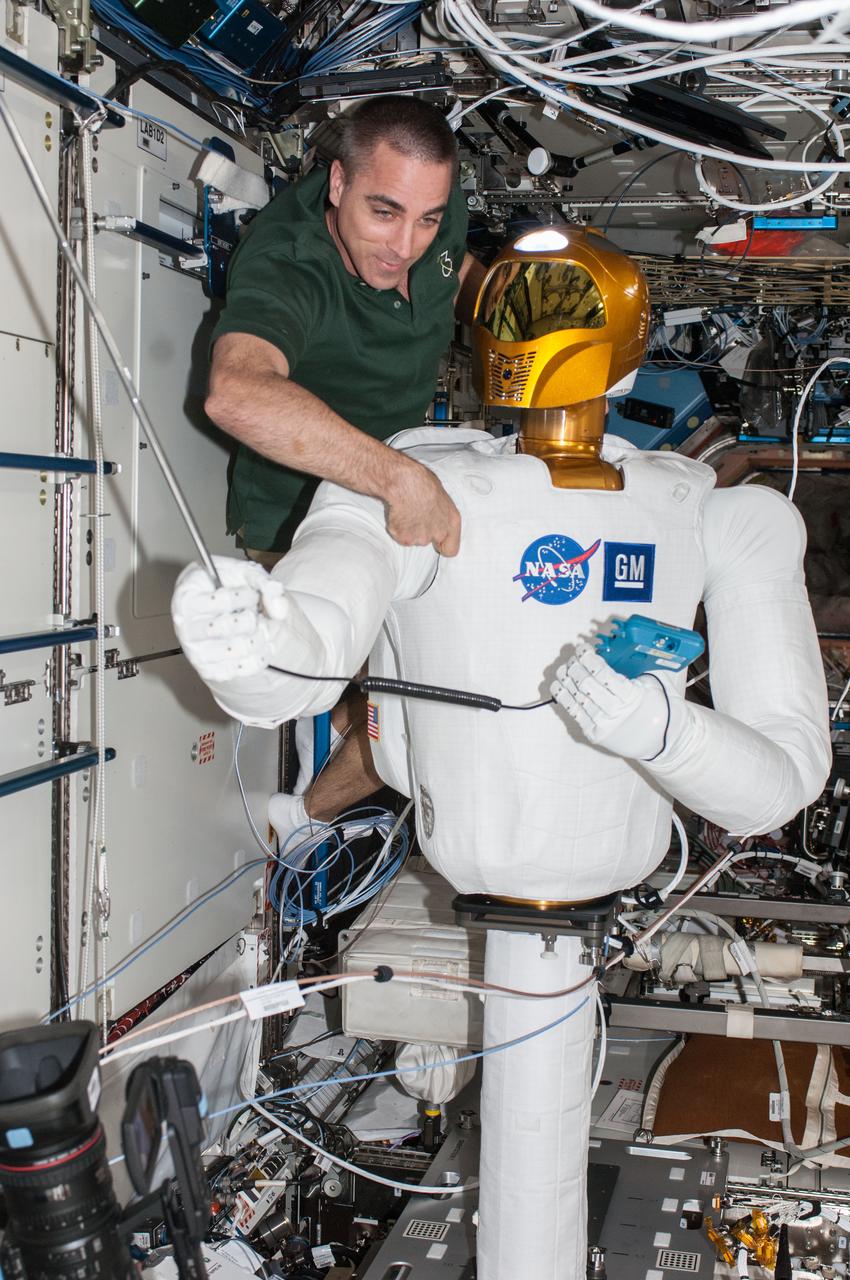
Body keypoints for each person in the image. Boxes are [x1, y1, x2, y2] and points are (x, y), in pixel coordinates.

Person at [173, 232, 830, 1279]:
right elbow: (313, 641)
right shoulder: (420, 482)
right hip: (484, 859)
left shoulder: (716, 515)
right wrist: (251, 636)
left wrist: (655, 727)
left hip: (559, 890)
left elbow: (784, 775)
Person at [205, 94, 486, 818]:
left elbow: (460, 271)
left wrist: (519, 317)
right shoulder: (290, 262)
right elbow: (235, 393)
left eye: (427, 219)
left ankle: (321, 757)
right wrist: (397, 478)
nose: (405, 246)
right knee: (415, 706)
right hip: (302, 515)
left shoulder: (426, 201)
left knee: (421, 692)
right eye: (383, 213)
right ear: (336, 185)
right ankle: (295, 828)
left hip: (401, 488)